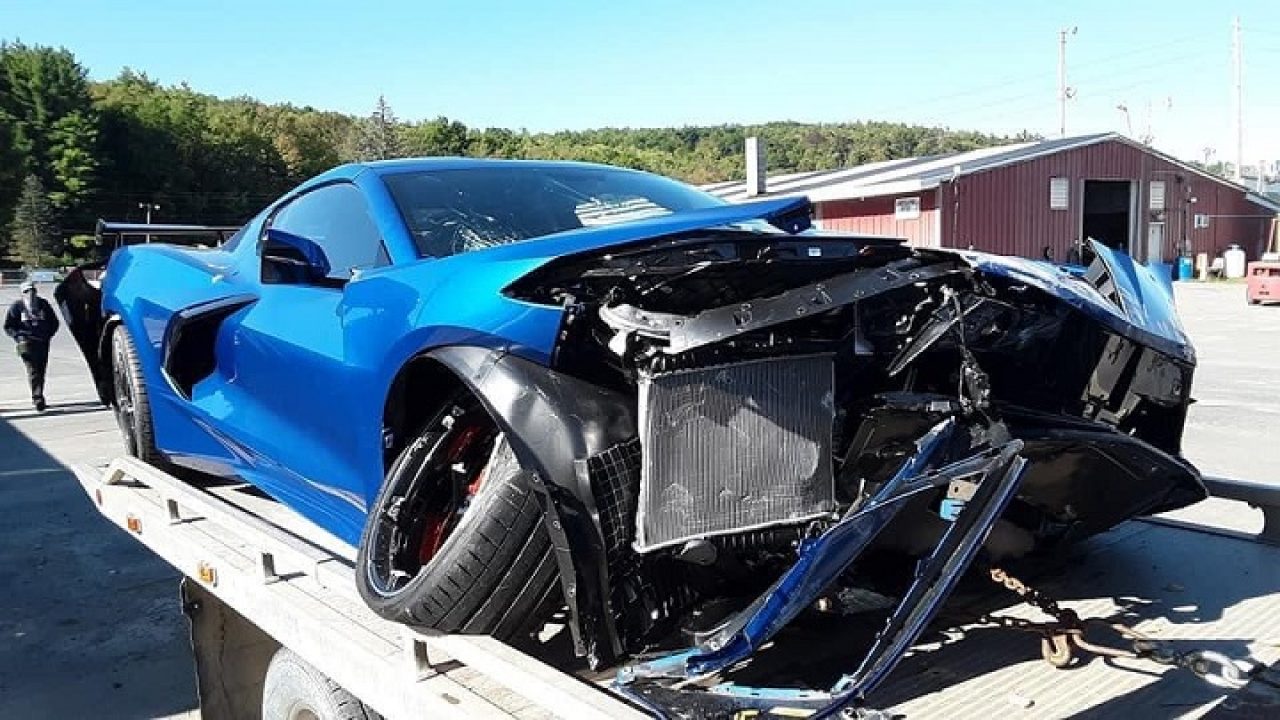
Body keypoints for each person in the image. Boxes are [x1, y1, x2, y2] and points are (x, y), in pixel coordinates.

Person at [5, 280, 60, 411]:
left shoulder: (43, 304)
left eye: (32, 290)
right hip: (25, 342)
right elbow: (9, 326)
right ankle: (38, 398)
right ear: (21, 293)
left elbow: (54, 322)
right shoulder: (17, 307)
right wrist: (18, 337)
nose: (30, 294)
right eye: (26, 291)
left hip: (42, 342)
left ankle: (39, 393)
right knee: (33, 369)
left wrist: (47, 335)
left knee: (41, 369)